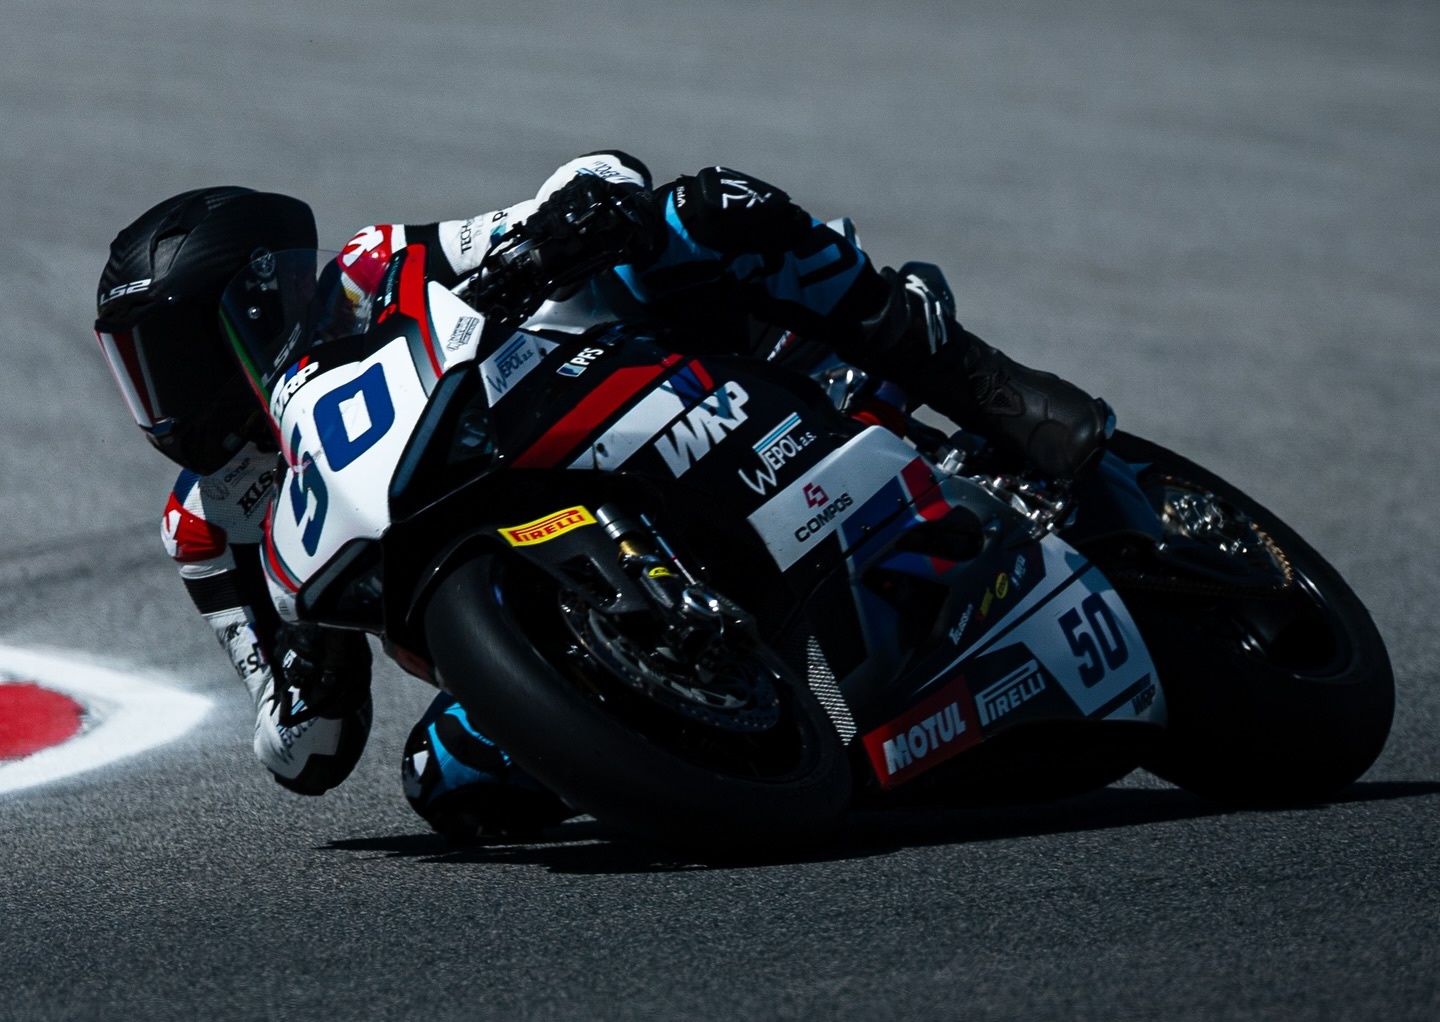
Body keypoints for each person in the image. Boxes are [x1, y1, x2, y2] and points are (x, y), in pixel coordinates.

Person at [93, 151, 1110, 841]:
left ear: (254, 302)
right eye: (138, 369)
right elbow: (300, 751)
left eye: (172, 357)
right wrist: (309, 655)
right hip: (520, 611)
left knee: (709, 211)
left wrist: (559, 221)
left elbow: (579, 186)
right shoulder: (205, 523)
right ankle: (696, 726)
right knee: (449, 783)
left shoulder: (366, 272)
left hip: (601, 414)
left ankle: (983, 386)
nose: (162, 397)